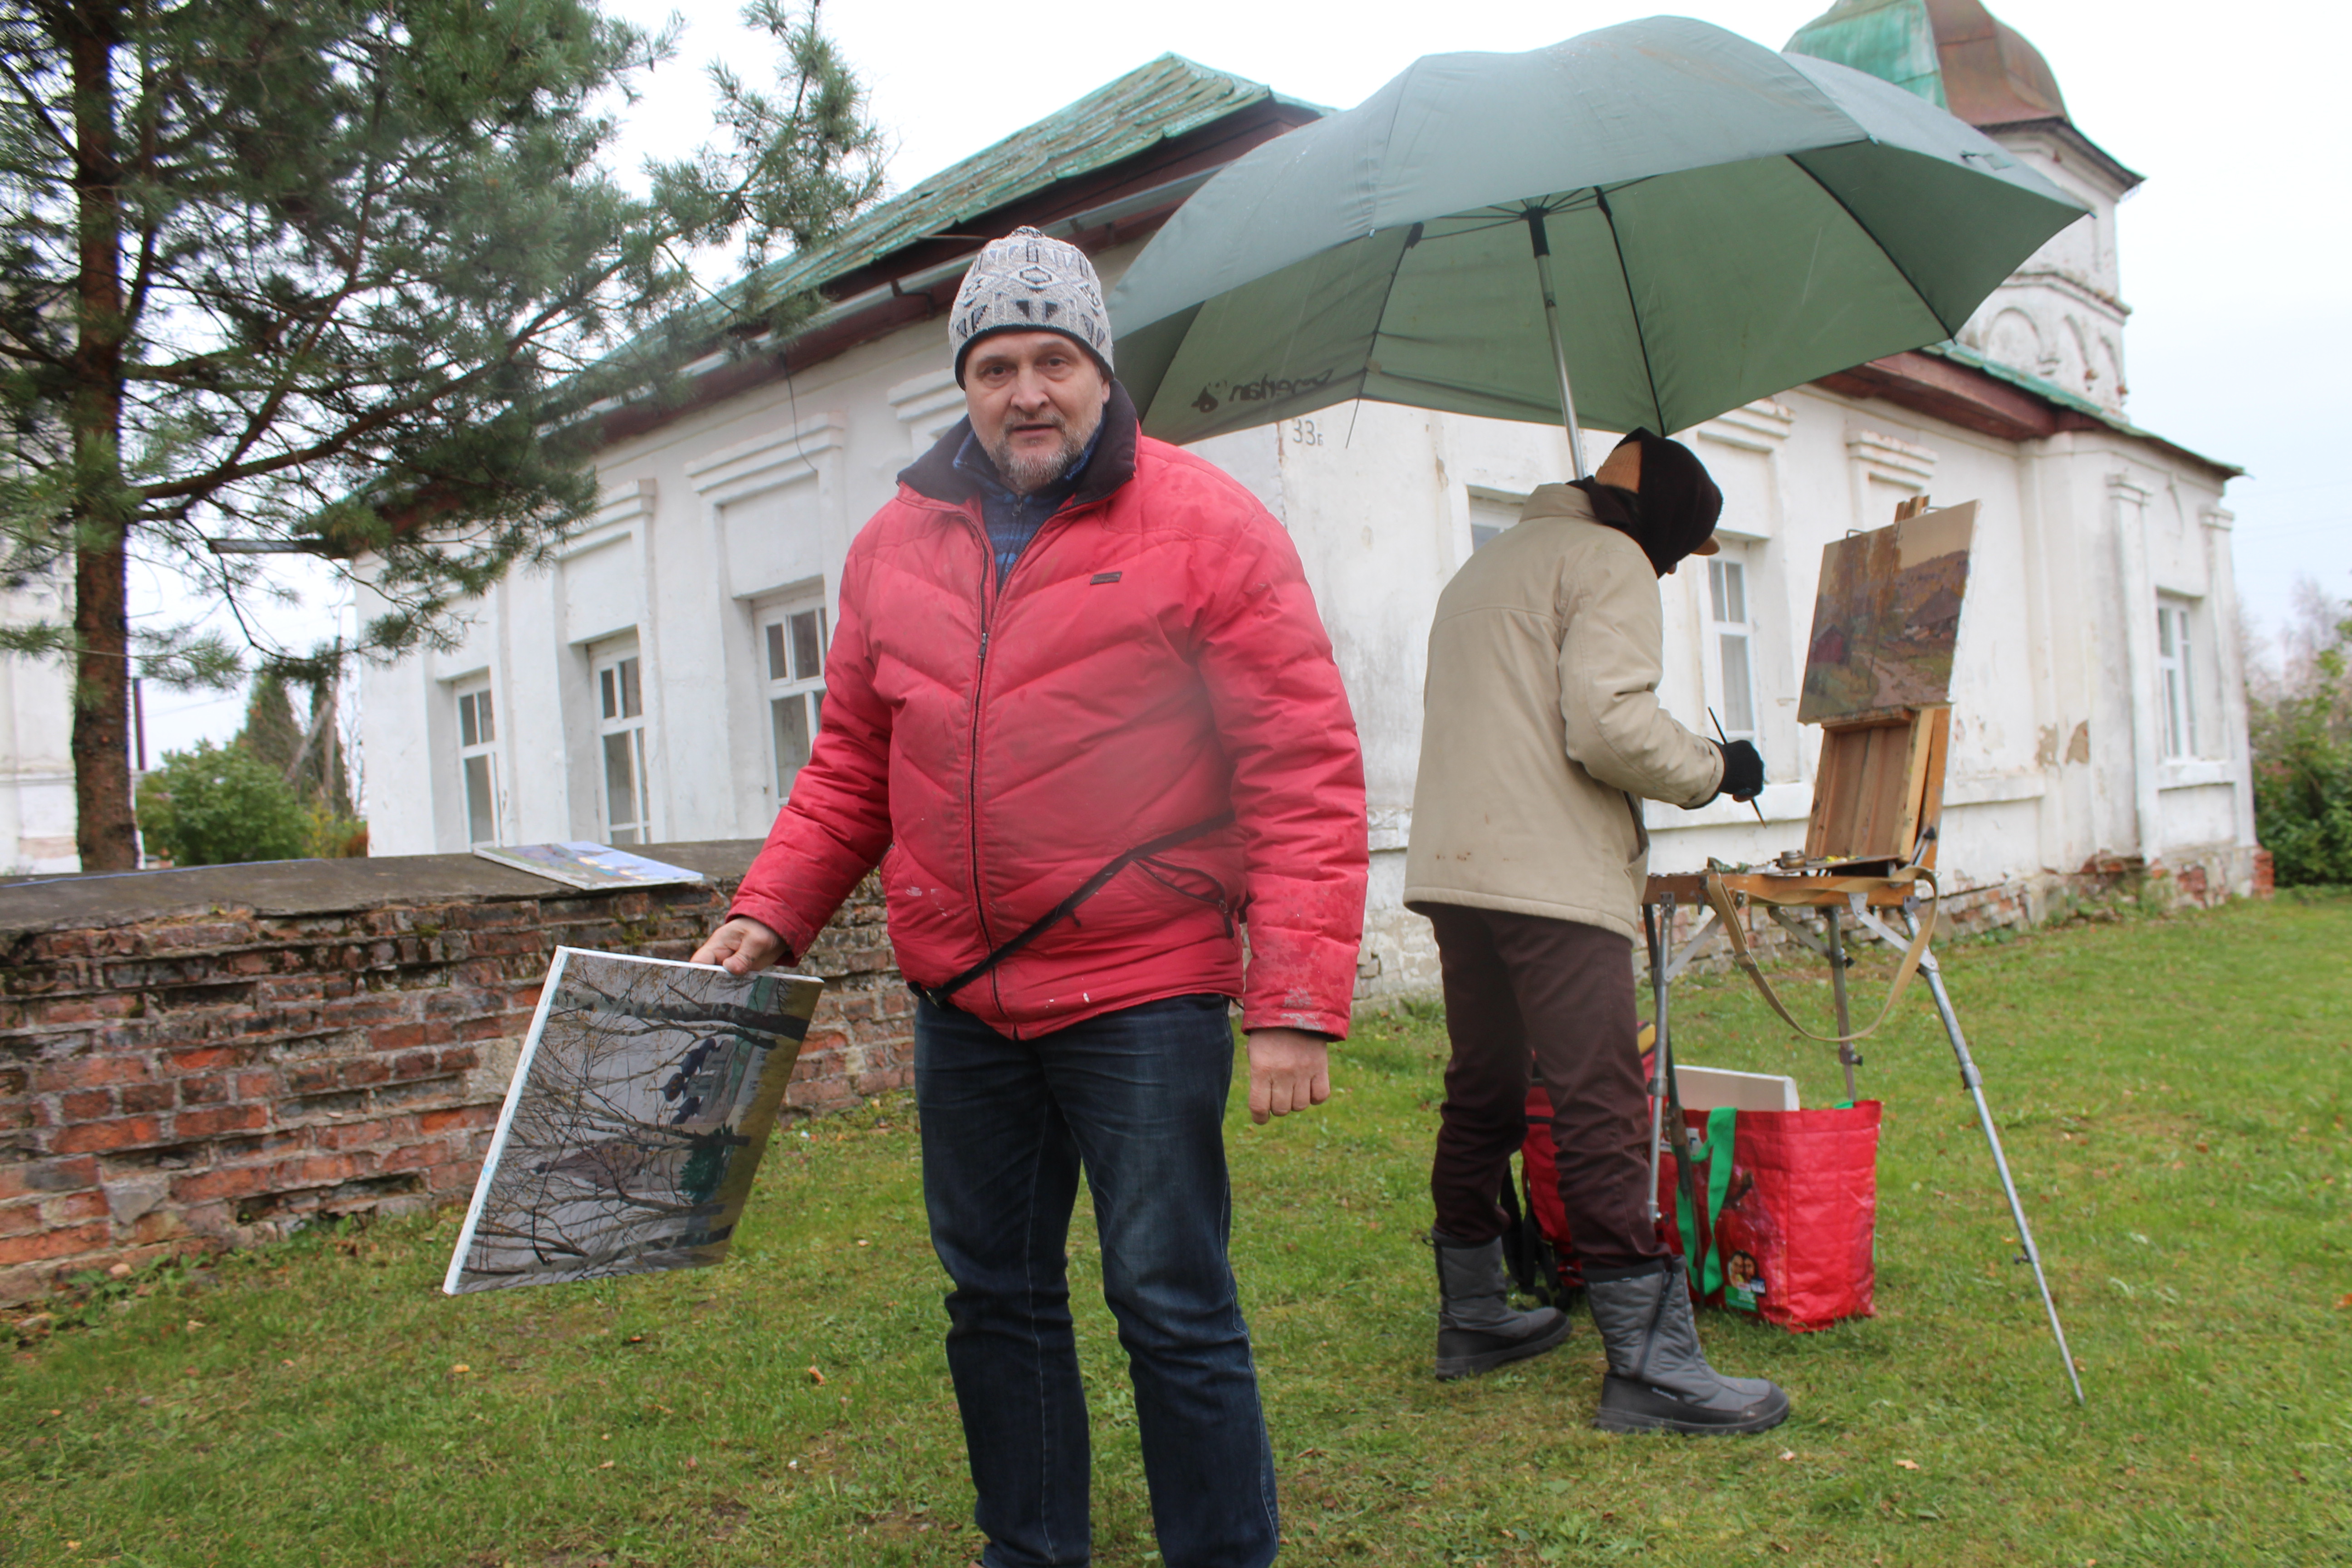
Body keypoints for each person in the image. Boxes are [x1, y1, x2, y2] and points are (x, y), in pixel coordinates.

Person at [693, 226, 1368, 1567]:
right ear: (964, 383)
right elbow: (850, 768)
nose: (1026, 393)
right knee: (993, 1298)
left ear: (1101, 371)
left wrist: (1291, 1000)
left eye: (1054, 360)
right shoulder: (893, 545)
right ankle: (1032, 1546)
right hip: (964, 1002)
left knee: (1170, 1299)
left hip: (1142, 987)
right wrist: (770, 910)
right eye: (996, 365)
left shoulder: (1209, 526)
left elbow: (1302, 765)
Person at [1401, 428, 1788, 1435]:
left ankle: (1475, 1314)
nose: (1663, 569)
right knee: (1601, 1104)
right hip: (1549, 874)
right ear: (1663, 530)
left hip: (1459, 867)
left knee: (1484, 1088)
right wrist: (1716, 767)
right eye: (1676, 553)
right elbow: (1606, 725)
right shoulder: (1607, 557)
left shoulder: (1484, 566)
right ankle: (1650, 1368)